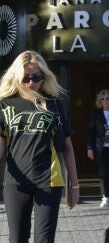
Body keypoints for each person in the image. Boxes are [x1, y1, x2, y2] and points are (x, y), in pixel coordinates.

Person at [0, 50, 79, 243]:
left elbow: (67, 145)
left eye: (37, 78)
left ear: (44, 78)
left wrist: (74, 184)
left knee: (44, 240)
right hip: (15, 182)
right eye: (26, 78)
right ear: (17, 77)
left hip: (49, 180)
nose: (31, 83)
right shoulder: (5, 104)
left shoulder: (54, 104)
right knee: (17, 238)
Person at [87, 89, 109, 207]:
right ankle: (105, 197)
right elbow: (91, 132)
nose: (105, 100)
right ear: (99, 101)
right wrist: (89, 148)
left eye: (107, 98)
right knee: (103, 173)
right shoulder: (96, 113)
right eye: (103, 98)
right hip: (101, 148)